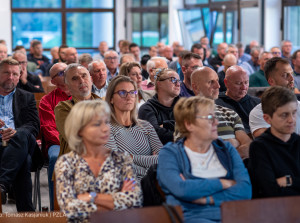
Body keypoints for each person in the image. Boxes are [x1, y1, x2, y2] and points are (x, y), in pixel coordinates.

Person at [157, 96, 251, 223]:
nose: (216, 122)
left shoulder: (226, 149)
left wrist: (206, 199)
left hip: (234, 216)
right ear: (189, 124)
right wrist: (224, 183)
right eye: (210, 118)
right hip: (193, 218)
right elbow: (182, 189)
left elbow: (245, 191)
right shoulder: (170, 153)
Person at [55, 100, 142, 222]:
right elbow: (70, 209)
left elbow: (134, 200)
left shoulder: (122, 159)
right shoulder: (66, 163)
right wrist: (116, 199)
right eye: (97, 124)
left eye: (106, 122)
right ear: (79, 129)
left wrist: (91, 197)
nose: (105, 128)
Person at [0, 58, 40, 211]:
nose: (10, 77)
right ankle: (27, 213)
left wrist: (16, 133)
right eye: (6, 73)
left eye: (14, 74)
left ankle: (3, 183)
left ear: (19, 76)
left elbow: (33, 125)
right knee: (24, 160)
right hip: (5, 146)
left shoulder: (27, 97)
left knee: (22, 134)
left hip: (22, 140)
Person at [105, 75, 162, 180]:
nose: (128, 97)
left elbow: (164, 158)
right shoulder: (106, 129)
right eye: (122, 93)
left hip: (153, 184)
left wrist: (132, 158)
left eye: (132, 92)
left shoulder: (146, 126)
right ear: (111, 99)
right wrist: (149, 165)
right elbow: (117, 164)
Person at [54, 63, 116, 157]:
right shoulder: (63, 108)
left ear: (91, 79)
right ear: (67, 86)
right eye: (75, 78)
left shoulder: (105, 103)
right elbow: (75, 139)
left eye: (84, 76)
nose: (81, 81)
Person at [249, 86, 300, 198]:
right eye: (284, 115)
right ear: (267, 119)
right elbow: (270, 191)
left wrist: (288, 180)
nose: (291, 120)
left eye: (294, 113)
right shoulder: (259, 147)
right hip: (275, 210)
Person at [191, 67, 252, 159]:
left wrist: (223, 153)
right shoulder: (187, 114)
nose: (218, 86)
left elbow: (248, 146)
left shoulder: (230, 113)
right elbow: (191, 151)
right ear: (195, 87)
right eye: (211, 82)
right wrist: (232, 142)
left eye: (217, 81)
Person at [39, 62, 71, 211]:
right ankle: (56, 210)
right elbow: (49, 128)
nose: (65, 73)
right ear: (53, 81)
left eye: (67, 70)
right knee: (55, 157)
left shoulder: (84, 95)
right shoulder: (47, 100)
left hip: (86, 141)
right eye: (60, 73)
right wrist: (70, 144)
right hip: (58, 142)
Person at [249, 57, 300, 138]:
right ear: (271, 81)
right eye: (285, 75)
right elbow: (271, 143)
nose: (292, 79)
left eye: (292, 74)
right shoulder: (259, 113)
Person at [139, 68, 181, 145]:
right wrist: (182, 131)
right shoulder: (147, 109)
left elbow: (195, 128)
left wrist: (165, 124)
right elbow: (155, 135)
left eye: (179, 81)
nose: (178, 84)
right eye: (173, 80)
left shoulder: (186, 106)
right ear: (159, 84)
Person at [216, 65, 260, 134]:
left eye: (246, 82)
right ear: (226, 83)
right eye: (238, 83)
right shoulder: (216, 103)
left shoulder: (258, 104)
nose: (244, 87)